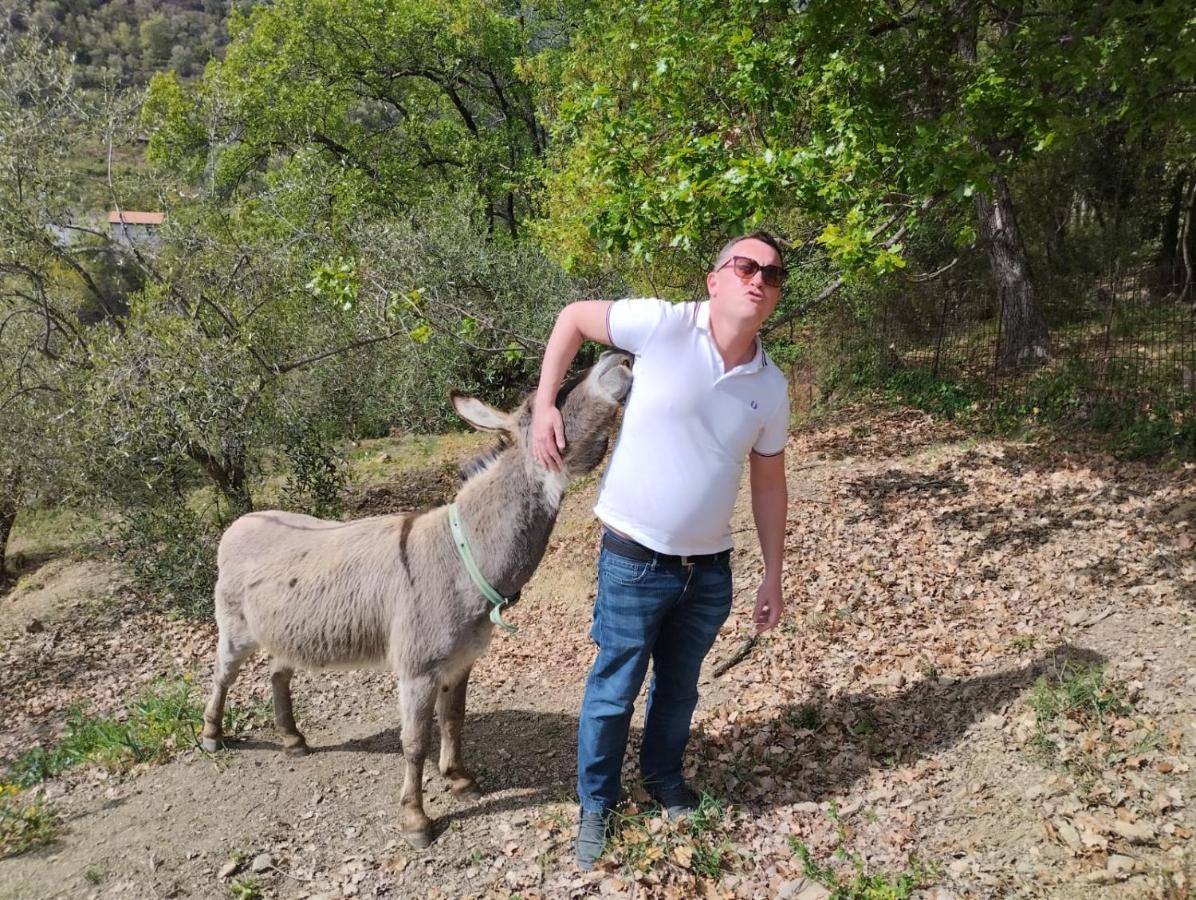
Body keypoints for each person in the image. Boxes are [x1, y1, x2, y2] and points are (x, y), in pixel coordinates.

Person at [531, 232, 791, 870]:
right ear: (715, 280)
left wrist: (773, 575)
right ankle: (598, 802)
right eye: (745, 266)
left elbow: (769, 481)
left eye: (773, 274)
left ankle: (664, 780)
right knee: (614, 690)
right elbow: (572, 319)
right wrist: (544, 404)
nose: (759, 279)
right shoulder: (664, 325)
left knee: (679, 691)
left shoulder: (771, 386)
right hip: (634, 556)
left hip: (708, 571)